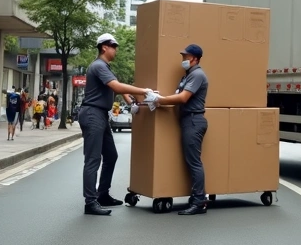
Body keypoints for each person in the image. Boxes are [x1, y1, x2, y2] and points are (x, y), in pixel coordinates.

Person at [81, 33, 151, 216]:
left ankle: (102, 194)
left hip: (101, 115)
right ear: (104, 47)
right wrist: (144, 91)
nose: (116, 49)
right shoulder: (98, 66)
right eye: (113, 46)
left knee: (111, 155)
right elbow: (118, 87)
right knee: (93, 160)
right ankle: (90, 202)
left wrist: (131, 103)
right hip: (92, 113)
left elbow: (116, 88)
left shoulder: (105, 67)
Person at [153, 44, 210, 216]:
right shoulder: (188, 76)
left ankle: (199, 201)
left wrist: (160, 100)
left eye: (186, 57)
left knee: (194, 162)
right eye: (183, 57)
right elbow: (178, 95)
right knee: (191, 161)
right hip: (188, 121)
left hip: (194, 121)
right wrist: (158, 98)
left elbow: (183, 97)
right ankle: (197, 199)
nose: (183, 60)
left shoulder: (198, 75)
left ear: (195, 58)